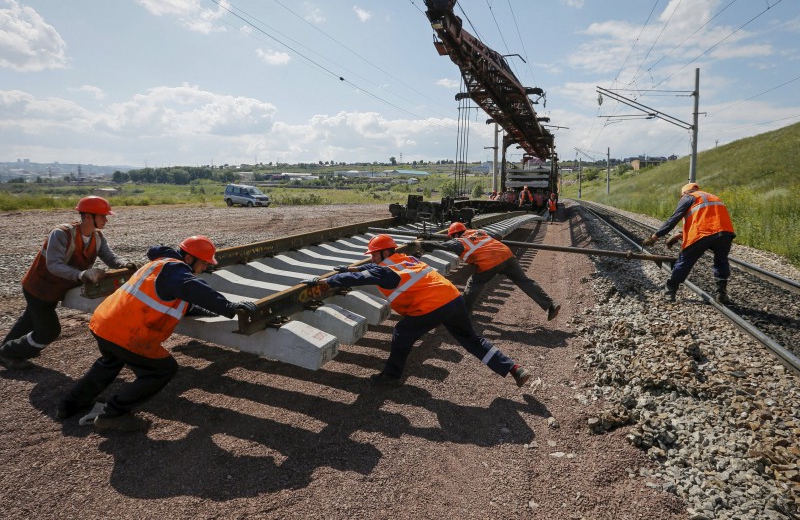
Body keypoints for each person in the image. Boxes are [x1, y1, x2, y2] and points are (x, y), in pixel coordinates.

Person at [56, 236, 257, 432]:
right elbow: (197, 290)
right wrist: (230, 307)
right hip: (126, 334)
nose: (205, 268)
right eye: (204, 263)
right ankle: (113, 414)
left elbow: (180, 301)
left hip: (104, 323)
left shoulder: (160, 265)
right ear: (189, 259)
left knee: (110, 362)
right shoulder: (177, 271)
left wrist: (210, 313)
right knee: (161, 370)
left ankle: (69, 405)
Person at [304, 234, 532, 388]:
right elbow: (370, 268)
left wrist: (329, 281)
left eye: (374, 254)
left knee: (402, 332)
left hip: (432, 307)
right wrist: (352, 266)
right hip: (453, 299)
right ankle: (513, 368)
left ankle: (391, 377)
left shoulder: (385, 271)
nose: (371, 258)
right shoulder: (406, 259)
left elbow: (357, 278)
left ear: (384, 253)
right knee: (472, 339)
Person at [0, 196, 136, 371]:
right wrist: (82, 274)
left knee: (30, 319)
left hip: (54, 289)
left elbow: (110, 257)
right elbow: (54, 265)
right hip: (39, 287)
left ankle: (7, 350)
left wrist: (125, 264)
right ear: (87, 216)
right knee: (49, 331)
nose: (106, 219)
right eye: (102, 215)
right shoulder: (61, 233)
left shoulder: (98, 237)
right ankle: (8, 353)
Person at [421, 222, 560, 321]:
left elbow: (442, 245)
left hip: (490, 262)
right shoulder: (479, 232)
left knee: (473, 284)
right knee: (525, 281)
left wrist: (422, 244)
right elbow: (497, 235)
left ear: (455, 234)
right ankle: (550, 305)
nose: (452, 238)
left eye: (452, 236)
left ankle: (464, 314)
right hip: (507, 256)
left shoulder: (459, 241)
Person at [642, 183, 736, 303]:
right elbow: (708, 220)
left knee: (685, 260)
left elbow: (673, 220)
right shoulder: (712, 197)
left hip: (702, 233)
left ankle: (669, 291)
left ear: (684, 193)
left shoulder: (688, 197)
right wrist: (679, 235)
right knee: (721, 261)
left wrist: (654, 237)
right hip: (725, 233)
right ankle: (721, 293)